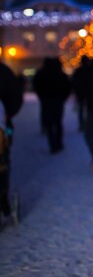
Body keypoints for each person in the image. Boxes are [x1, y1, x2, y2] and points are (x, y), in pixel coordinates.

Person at [0, 62, 24, 226]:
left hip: (2, 128)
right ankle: (3, 203)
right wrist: (8, 114)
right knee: (3, 163)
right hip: (2, 127)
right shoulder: (4, 72)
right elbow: (16, 97)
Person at [33, 57, 71, 154]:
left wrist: (42, 97)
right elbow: (67, 88)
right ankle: (58, 143)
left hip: (47, 101)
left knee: (50, 124)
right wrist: (63, 98)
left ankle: (52, 144)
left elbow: (37, 86)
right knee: (58, 122)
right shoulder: (61, 75)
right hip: (58, 101)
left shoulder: (42, 74)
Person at [71, 55, 90, 131]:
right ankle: (87, 124)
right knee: (88, 109)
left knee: (81, 109)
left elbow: (74, 82)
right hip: (88, 93)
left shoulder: (78, 71)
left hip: (81, 93)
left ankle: (82, 125)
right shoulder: (90, 70)